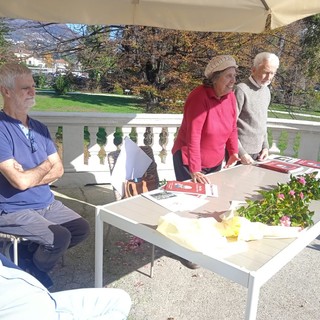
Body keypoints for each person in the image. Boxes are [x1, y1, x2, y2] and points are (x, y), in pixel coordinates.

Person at [0, 63, 90, 288]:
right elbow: (20, 181)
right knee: (59, 237)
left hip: (46, 203)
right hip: (12, 209)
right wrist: (43, 167)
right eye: (25, 88)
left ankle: (31, 258)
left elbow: (58, 169)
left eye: (33, 86)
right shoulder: (1, 129)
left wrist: (30, 177)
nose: (33, 92)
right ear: (6, 91)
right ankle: (34, 270)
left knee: (81, 229)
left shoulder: (40, 128)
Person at [0, 253, 131, 320]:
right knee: (61, 236)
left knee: (120, 299)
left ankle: (30, 259)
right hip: (30, 313)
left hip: (46, 300)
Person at [172, 55, 240, 184]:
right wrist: (195, 169)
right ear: (215, 78)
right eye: (228, 76)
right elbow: (193, 135)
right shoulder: (199, 97)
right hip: (189, 161)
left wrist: (233, 152)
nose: (233, 80)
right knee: (192, 200)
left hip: (215, 161)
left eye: (234, 76)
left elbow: (232, 127)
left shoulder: (230, 96)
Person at [235, 52, 280, 164]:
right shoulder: (241, 90)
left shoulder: (266, 91)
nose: (269, 78)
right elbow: (229, 125)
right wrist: (241, 152)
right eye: (265, 72)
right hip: (240, 155)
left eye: (272, 73)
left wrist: (265, 147)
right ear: (253, 69)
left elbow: (262, 122)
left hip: (259, 153)